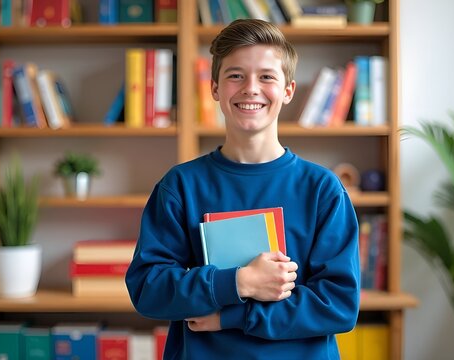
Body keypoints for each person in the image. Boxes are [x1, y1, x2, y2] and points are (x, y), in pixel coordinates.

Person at [125, 19, 360, 360]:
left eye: (266, 76)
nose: (251, 88)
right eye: (236, 75)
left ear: (288, 90)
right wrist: (238, 282)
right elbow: (149, 290)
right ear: (215, 88)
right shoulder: (180, 186)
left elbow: (338, 306)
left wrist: (231, 316)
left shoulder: (323, 190)